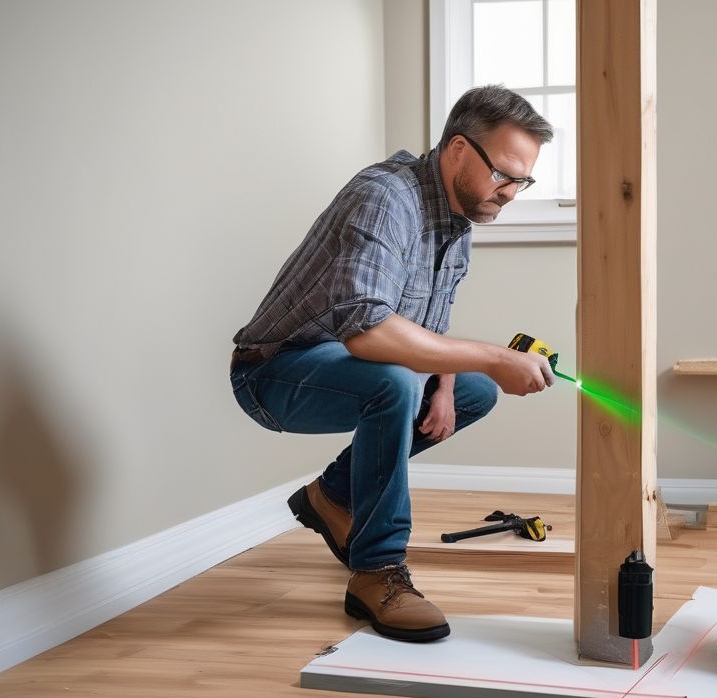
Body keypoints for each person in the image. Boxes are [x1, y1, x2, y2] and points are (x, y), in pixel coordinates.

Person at [228, 85, 555, 642]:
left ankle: (333, 496)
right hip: (274, 372)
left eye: (523, 181)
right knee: (394, 381)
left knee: (474, 391)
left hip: (353, 364)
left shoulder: (457, 224)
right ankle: (376, 573)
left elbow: (429, 329)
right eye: (504, 174)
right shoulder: (385, 197)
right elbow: (369, 331)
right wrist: (498, 356)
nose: (511, 193)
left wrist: (448, 386)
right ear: (457, 150)